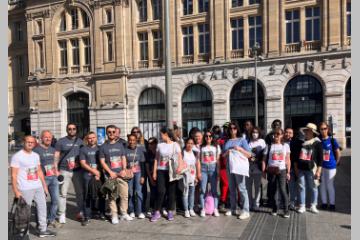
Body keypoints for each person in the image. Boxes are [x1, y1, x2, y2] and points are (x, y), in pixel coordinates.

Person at [11, 135, 56, 237]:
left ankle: (42, 230)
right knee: (25, 212)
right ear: (24, 142)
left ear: (34, 143)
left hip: (38, 186)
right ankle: (23, 232)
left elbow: (39, 171)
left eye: (32, 142)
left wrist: (44, 186)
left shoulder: (35, 155)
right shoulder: (17, 156)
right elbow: (13, 175)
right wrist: (16, 191)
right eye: (28, 142)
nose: (30, 143)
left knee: (42, 208)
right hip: (25, 188)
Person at [99, 125, 133, 224]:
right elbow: (102, 162)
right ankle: (114, 215)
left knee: (124, 195)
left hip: (121, 174)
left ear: (116, 133)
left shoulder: (120, 145)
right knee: (112, 196)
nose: (111, 134)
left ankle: (124, 213)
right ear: (106, 133)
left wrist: (124, 169)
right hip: (110, 175)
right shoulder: (103, 147)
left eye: (113, 132)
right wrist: (110, 172)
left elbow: (123, 158)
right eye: (109, 132)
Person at [151, 127, 184, 222]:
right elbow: (156, 159)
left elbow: (180, 158)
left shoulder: (175, 145)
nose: (160, 136)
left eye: (161, 134)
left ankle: (170, 211)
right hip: (161, 170)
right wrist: (154, 172)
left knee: (171, 192)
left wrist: (180, 168)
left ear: (166, 134)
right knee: (161, 191)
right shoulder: (160, 145)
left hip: (172, 171)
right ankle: (157, 211)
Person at [54, 123, 84, 224]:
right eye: (69, 129)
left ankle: (80, 211)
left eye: (73, 129)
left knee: (79, 193)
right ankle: (62, 214)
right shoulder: (61, 141)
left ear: (76, 130)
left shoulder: (80, 141)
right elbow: (56, 156)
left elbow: (83, 155)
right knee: (62, 193)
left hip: (77, 171)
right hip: (64, 170)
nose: (72, 130)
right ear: (67, 130)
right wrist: (56, 170)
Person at [223, 121, 252, 220]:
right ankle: (233, 208)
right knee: (231, 188)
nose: (232, 130)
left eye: (234, 128)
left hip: (239, 167)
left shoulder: (242, 140)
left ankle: (246, 210)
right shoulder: (227, 141)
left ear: (237, 129)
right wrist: (228, 151)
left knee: (242, 188)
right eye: (230, 128)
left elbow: (249, 154)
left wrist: (239, 149)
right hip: (229, 167)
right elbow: (223, 155)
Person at [33, 130, 60, 229]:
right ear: (41, 138)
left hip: (53, 178)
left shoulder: (53, 150)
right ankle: (39, 222)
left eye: (50, 137)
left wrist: (57, 171)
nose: (48, 138)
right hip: (42, 179)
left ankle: (51, 219)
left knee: (55, 200)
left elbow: (55, 163)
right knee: (40, 202)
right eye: (46, 137)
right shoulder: (36, 150)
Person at [294, 123, 323, 214]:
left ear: (313, 132)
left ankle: (313, 205)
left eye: (308, 131)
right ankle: (302, 205)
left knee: (313, 187)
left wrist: (318, 171)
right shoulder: (301, 142)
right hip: (301, 168)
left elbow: (320, 159)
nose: (306, 132)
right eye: (306, 130)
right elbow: (296, 157)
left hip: (312, 169)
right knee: (301, 187)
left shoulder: (317, 143)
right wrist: (296, 169)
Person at [262, 129, 291, 218]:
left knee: (282, 189)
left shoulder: (285, 145)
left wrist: (288, 172)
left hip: (282, 170)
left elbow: (288, 159)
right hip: (272, 170)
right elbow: (264, 159)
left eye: (278, 134)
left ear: (282, 135)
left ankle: (286, 210)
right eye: (274, 134)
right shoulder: (269, 146)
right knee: (273, 190)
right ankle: (275, 208)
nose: (276, 136)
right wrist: (264, 171)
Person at [79, 132, 101, 226]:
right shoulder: (83, 149)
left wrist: (98, 173)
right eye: (89, 138)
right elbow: (83, 163)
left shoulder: (100, 148)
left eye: (93, 137)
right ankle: (86, 216)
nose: (91, 139)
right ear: (87, 139)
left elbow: (102, 162)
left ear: (96, 138)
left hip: (98, 175)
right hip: (87, 176)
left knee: (98, 194)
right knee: (87, 195)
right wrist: (94, 171)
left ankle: (97, 211)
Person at [318, 122, 341, 211]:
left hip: (331, 166)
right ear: (319, 130)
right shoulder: (318, 141)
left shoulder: (332, 140)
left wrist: (337, 162)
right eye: (321, 129)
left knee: (330, 185)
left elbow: (338, 152)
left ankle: (332, 204)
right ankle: (324, 203)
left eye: (325, 128)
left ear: (328, 129)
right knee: (322, 185)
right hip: (321, 167)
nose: (323, 130)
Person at [198, 130, 221, 217]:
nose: (208, 138)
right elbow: (199, 161)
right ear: (204, 138)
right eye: (206, 136)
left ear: (212, 138)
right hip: (203, 168)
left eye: (210, 136)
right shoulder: (201, 147)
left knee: (214, 190)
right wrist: (199, 172)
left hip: (213, 168)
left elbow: (218, 161)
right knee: (202, 190)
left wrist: (218, 172)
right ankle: (203, 208)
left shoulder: (216, 147)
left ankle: (215, 208)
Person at [126, 134, 146, 219]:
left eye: (133, 140)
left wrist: (143, 176)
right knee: (130, 192)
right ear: (128, 140)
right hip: (129, 173)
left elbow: (143, 164)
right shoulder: (125, 150)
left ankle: (140, 211)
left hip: (138, 173)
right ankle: (131, 211)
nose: (131, 142)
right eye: (130, 140)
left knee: (138, 192)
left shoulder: (139, 150)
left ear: (136, 141)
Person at [246, 127, 266, 212]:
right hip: (248, 168)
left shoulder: (262, 142)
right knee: (248, 187)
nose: (255, 134)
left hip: (258, 168)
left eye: (256, 132)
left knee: (257, 187)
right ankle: (249, 203)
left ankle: (256, 203)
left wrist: (263, 167)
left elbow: (265, 154)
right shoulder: (248, 142)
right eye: (253, 132)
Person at [182, 138, 201, 218]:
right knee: (185, 193)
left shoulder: (194, 153)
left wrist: (196, 176)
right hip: (185, 176)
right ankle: (186, 210)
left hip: (193, 175)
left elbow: (196, 165)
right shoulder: (182, 153)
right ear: (185, 144)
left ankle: (191, 209)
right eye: (188, 143)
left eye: (191, 143)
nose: (190, 145)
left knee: (192, 193)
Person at [284, 127, 300, 210]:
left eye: (290, 132)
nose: (288, 134)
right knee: (286, 186)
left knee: (293, 186)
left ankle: (294, 202)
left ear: (293, 134)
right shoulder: (281, 142)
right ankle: (286, 201)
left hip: (294, 167)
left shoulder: (297, 142)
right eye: (286, 132)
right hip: (283, 168)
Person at [145, 137, 158, 216]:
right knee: (152, 192)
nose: (150, 145)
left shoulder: (159, 152)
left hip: (159, 175)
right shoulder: (147, 154)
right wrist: (150, 178)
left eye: (152, 143)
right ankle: (151, 207)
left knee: (160, 192)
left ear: (156, 144)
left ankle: (159, 207)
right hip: (151, 176)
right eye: (149, 143)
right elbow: (147, 167)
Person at [218, 122, 230, 211]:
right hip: (222, 164)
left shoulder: (233, 139)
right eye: (224, 128)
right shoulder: (220, 140)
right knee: (224, 183)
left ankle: (229, 200)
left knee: (231, 184)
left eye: (227, 128)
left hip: (231, 163)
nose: (225, 130)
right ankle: (223, 201)